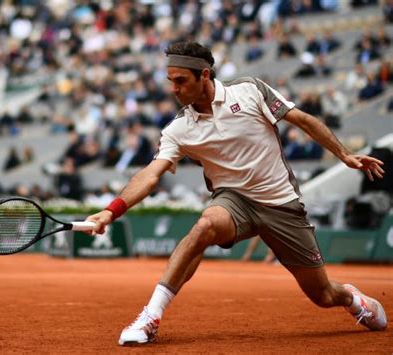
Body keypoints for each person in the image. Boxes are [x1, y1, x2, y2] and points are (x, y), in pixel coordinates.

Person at [86, 42, 387, 345]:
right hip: (234, 201)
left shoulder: (250, 91)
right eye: (170, 81)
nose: (174, 89)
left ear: (204, 75)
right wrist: (112, 210)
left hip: (281, 202)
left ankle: (351, 298)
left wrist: (345, 155)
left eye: (181, 81)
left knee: (322, 295)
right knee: (204, 225)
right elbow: (150, 175)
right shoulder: (178, 129)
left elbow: (304, 120)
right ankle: (151, 315)